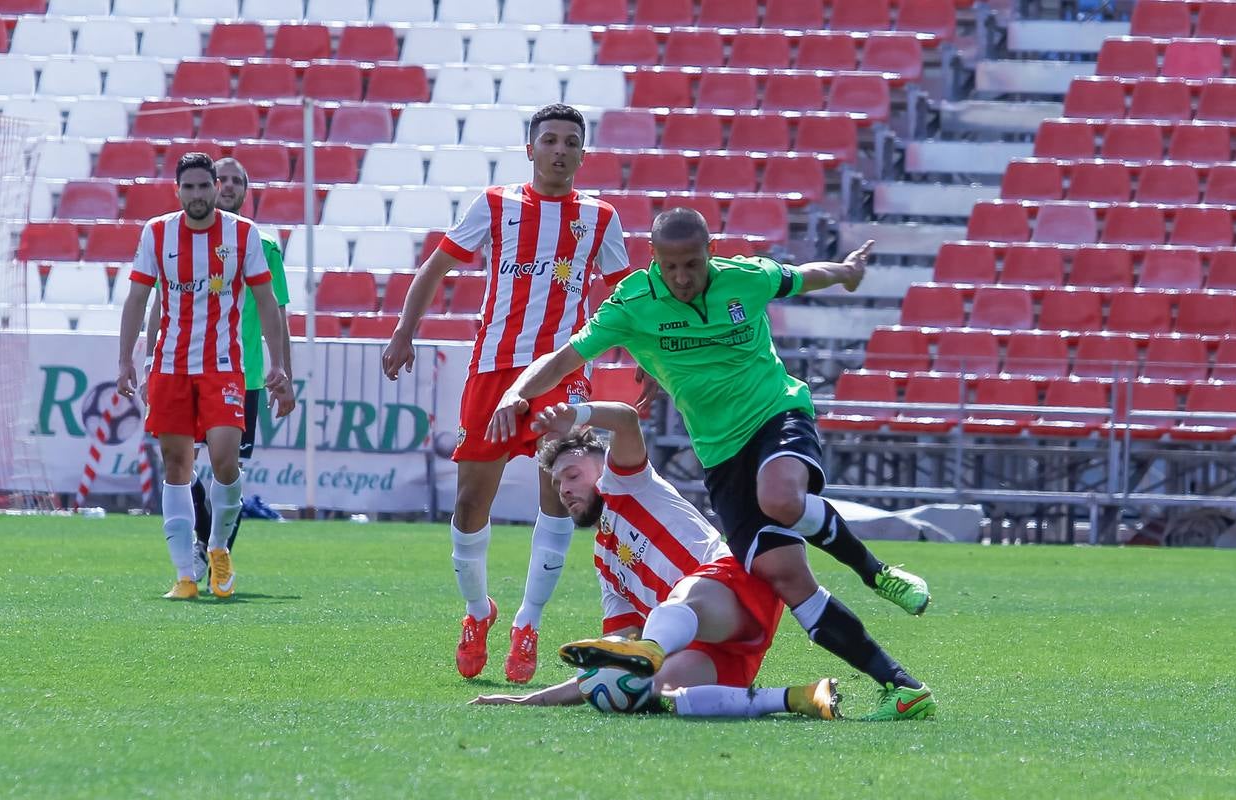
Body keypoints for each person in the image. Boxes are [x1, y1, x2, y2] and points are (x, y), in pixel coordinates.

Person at [487, 208, 937, 720]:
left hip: (776, 415)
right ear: (653, 260)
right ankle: (902, 688)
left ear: (711, 254)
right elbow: (567, 355)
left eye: (693, 265)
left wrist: (847, 273)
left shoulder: (746, 277)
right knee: (791, 584)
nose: (682, 278)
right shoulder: (633, 303)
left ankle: (877, 574)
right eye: (671, 267)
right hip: (721, 457)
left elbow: (804, 276)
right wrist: (517, 392)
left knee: (781, 498)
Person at [381, 103, 634, 685]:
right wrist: (403, 332)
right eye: (550, 140)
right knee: (471, 503)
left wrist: (648, 361)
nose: (561, 150)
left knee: (561, 493)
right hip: (493, 369)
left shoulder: (600, 218)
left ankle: (528, 623)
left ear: (583, 152)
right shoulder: (495, 205)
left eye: (572, 141)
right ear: (530, 149)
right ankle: (478, 613)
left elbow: (626, 300)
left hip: (562, 374)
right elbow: (435, 269)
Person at [471, 400, 840, 721]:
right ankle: (799, 697)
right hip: (711, 642)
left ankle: (657, 644)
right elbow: (619, 647)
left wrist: (577, 413)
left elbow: (627, 418)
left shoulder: (626, 482)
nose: (564, 488)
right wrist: (532, 699)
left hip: (737, 585)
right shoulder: (605, 564)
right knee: (641, 691)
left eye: (572, 475)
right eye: (557, 484)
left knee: (673, 609)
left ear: (602, 468)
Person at [116, 152, 295, 600]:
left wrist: (279, 365)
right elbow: (138, 298)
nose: (197, 195)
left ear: (217, 188)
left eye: (204, 186)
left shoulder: (243, 235)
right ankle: (184, 575)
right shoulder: (157, 233)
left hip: (223, 367)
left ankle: (217, 547)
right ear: (178, 190)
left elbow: (269, 303)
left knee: (224, 462)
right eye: (189, 187)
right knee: (176, 467)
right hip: (171, 367)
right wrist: (125, 361)